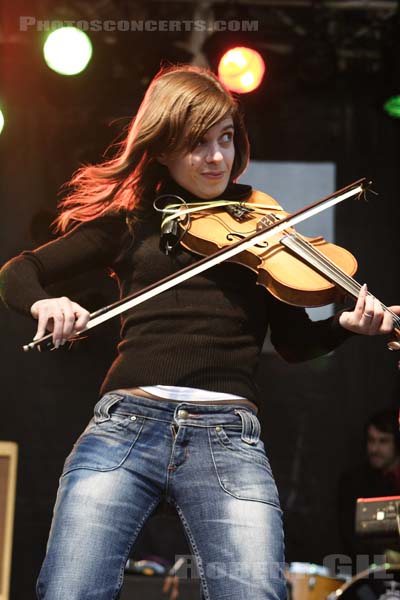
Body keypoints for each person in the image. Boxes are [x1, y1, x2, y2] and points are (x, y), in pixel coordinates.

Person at [0, 64, 398, 600]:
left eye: (226, 139)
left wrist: (344, 327)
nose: (217, 158)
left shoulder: (260, 220)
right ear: (162, 147)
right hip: (126, 424)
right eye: (197, 143)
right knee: (71, 589)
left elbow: (293, 342)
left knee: (255, 592)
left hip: (227, 433)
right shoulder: (136, 219)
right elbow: (19, 271)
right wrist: (47, 302)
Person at [338, 409, 400, 567]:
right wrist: (384, 556)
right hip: (368, 574)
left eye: (383, 441)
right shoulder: (353, 482)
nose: (374, 449)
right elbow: (350, 537)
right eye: (371, 440)